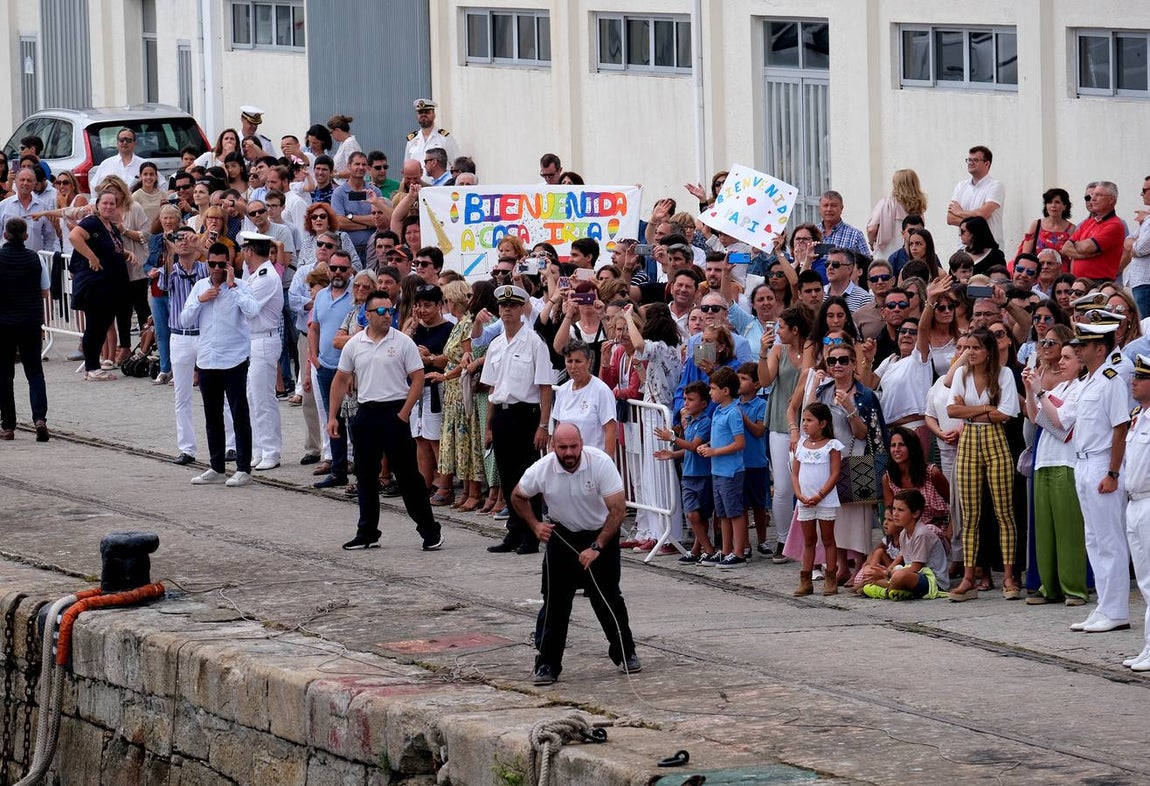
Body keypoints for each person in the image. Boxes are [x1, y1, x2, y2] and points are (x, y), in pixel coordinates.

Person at [513, 422, 639, 686]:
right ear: (552, 447)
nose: (569, 453)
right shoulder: (542, 469)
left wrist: (596, 547)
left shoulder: (600, 463)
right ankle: (547, 663)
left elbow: (618, 511)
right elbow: (517, 496)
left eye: (574, 447)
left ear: (581, 444)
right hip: (562, 534)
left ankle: (625, 652)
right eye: (563, 448)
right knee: (556, 603)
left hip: (600, 532)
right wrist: (535, 525)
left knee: (606, 598)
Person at [327, 289, 443, 551]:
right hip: (366, 411)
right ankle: (367, 532)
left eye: (389, 310)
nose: (386, 315)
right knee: (365, 475)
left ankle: (429, 531)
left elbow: (417, 378)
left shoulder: (402, 342)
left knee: (408, 477)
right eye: (380, 311)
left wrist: (404, 412)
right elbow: (341, 380)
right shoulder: (355, 344)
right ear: (367, 315)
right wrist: (332, 416)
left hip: (394, 412)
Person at [1043, 314, 1132, 632]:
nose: (1078, 349)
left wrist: (1113, 472)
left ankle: (1117, 609)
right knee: (1093, 540)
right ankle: (1105, 607)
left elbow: (1120, 428)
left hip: (1101, 462)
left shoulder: (1111, 380)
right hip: (1081, 462)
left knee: (1110, 540)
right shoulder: (1089, 381)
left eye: (1085, 344)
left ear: (1100, 347)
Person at [946, 327, 1022, 601]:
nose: (970, 353)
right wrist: (985, 408)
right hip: (969, 440)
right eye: (967, 348)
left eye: (976, 348)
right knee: (970, 515)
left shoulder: (1004, 374)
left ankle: (1010, 576)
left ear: (988, 351)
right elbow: (951, 410)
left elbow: (1006, 414)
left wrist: (975, 412)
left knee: (1004, 512)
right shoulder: (962, 375)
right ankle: (969, 577)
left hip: (993, 439)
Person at [481, 285, 555, 554]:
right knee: (508, 475)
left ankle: (531, 533)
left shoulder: (534, 342)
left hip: (526, 414)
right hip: (502, 413)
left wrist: (543, 425)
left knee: (528, 476)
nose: (507, 311)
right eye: (503, 306)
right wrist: (489, 426)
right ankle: (514, 530)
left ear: (523, 308)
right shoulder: (497, 344)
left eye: (512, 306)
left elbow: (545, 386)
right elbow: (492, 388)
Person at [180, 244, 258, 487]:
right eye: (211, 264)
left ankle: (243, 468)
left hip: (234, 359)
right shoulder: (200, 287)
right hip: (207, 360)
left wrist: (232, 287)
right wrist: (201, 301)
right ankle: (216, 466)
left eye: (220, 264)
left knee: (239, 414)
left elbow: (253, 311)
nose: (215, 269)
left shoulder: (241, 286)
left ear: (228, 264)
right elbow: (184, 319)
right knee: (211, 415)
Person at [1021, 337, 1087, 606]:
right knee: (1045, 528)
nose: (1061, 361)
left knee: (1067, 528)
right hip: (1044, 461)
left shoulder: (1082, 389)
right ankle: (1050, 586)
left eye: (1067, 358)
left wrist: (1039, 392)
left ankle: (1074, 589)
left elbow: (1062, 425)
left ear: (1081, 363)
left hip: (1065, 462)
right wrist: (1029, 389)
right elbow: (1035, 416)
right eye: (1062, 357)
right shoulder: (1061, 387)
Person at [69, 189, 132, 381]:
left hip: (110, 285)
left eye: (112, 203)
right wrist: (91, 257)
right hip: (96, 284)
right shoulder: (92, 222)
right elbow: (74, 236)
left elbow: (109, 248)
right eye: (105, 203)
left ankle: (94, 367)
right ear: (97, 205)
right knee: (95, 326)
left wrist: (126, 253)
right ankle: (92, 367)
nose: (108, 207)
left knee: (102, 324)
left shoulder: (110, 226)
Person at [238, 232, 285, 471]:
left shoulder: (266, 276)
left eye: (244, 249)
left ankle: (271, 450)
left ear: (249, 251)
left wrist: (233, 289)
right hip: (252, 340)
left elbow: (249, 308)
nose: (242, 254)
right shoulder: (257, 274)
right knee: (252, 397)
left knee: (264, 398)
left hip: (264, 339)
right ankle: (259, 448)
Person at [309, 250, 357, 489]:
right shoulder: (321, 296)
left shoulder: (356, 296)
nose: (338, 273)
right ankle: (338, 470)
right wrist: (314, 357)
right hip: (326, 367)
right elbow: (314, 327)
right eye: (334, 268)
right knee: (333, 420)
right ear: (328, 271)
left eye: (342, 269)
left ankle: (359, 470)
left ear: (350, 270)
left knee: (355, 421)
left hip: (349, 369)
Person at [0, 218, 49, 442]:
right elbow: (45, 292)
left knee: (4, 375)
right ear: (26, 237)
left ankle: (8, 425)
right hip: (30, 321)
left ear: (5, 235)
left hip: (3, 323)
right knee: (35, 373)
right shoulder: (35, 258)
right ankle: (39, 418)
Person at [697, 366, 747, 568]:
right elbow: (721, 439)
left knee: (734, 512)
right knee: (723, 513)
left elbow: (739, 443)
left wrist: (714, 452)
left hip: (731, 470)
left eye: (713, 388)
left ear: (725, 391)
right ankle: (726, 550)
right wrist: (708, 446)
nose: (710, 393)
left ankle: (739, 552)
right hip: (717, 470)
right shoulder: (718, 410)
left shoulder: (734, 412)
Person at [791, 402, 843, 596]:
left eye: (809, 420)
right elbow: (795, 473)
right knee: (809, 539)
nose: (805, 424)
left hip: (825, 499)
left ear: (822, 423)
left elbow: (835, 473)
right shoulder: (801, 445)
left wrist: (820, 494)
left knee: (828, 538)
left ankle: (831, 577)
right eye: (803, 420)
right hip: (805, 500)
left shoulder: (832, 446)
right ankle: (806, 579)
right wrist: (799, 494)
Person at [861, 490, 950, 599]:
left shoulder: (922, 534)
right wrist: (886, 571)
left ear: (915, 513)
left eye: (900, 510)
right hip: (913, 575)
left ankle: (886, 591)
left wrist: (885, 574)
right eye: (894, 509)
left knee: (899, 576)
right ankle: (893, 590)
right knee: (873, 574)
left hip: (933, 581)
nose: (895, 514)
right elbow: (902, 558)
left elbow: (916, 567)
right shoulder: (903, 533)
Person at [1122, 354, 1150, 671]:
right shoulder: (1137, 416)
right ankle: (1147, 645)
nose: (1134, 381)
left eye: (1141, 378)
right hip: (1134, 501)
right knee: (1144, 581)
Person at [552, 340, 617, 455]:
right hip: (568, 460)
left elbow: (610, 430)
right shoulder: (562, 390)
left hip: (594, 461)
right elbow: (558, 427)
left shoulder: (601, 390)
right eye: (569, 361)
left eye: (578, 361)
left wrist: (608, 463)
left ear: (588, 362)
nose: (573, 366)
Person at [1062, 181, 1125, 282]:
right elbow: (1065, 248)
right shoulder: (1087, 223)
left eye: (1099, 195)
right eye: (1092, 195)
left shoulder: (1115, 225)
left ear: (1111, 199)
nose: (1093, 199)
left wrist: (1077, 245)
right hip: (1079, 282)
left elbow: (1087, 247)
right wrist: (1085, 255)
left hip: (1099, 283)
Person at [948, 145, 1005, 248]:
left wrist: (960, 212)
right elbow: (950, 218)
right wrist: (978, 224)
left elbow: (983, 214)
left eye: (975, 160)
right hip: (964, 248)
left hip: (988, 248)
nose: (970, 163)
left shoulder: (995, 185)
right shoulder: (961, 186)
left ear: (987, 163)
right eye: (969, 160)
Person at [867, 169, 928, 257]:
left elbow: (871, 229)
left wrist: (871, 243)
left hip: (886, 255)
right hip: (910, 255)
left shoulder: (886, 204)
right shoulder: (918, 207)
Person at [404, 99, 462, 174]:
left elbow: (457, 164)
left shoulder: (445, 138)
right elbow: (407, 165)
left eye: (427, 112)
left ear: (434, 114)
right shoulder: (412, 140)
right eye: (420, 112)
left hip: (440, 185)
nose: (423, 115)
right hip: (417, 185)